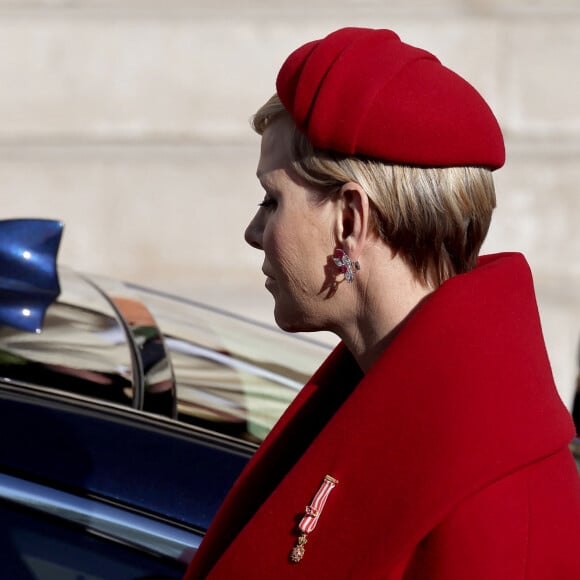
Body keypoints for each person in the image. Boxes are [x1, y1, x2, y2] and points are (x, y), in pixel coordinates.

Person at [184, 27, 580, 579]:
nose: (254, 232)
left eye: (271, 201)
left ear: (350, 219)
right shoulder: (390, 391)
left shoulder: (490, 485)